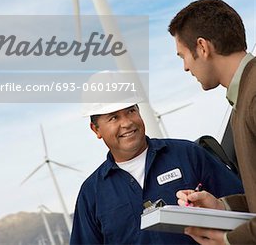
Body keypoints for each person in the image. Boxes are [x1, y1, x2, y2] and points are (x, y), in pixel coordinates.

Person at [70, 72, 243, 245]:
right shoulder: (91, 195)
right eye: (114, 117)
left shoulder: (189, 155)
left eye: (131, 111)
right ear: (96, 130)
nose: (127, 122)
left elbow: (243, 206)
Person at [168, 0, 256, 245]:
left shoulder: (253, 96)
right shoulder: (243, 100)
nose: (185, 67)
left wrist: (228, 241)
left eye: (182, 56)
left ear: (202, 47)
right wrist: (221, 205)